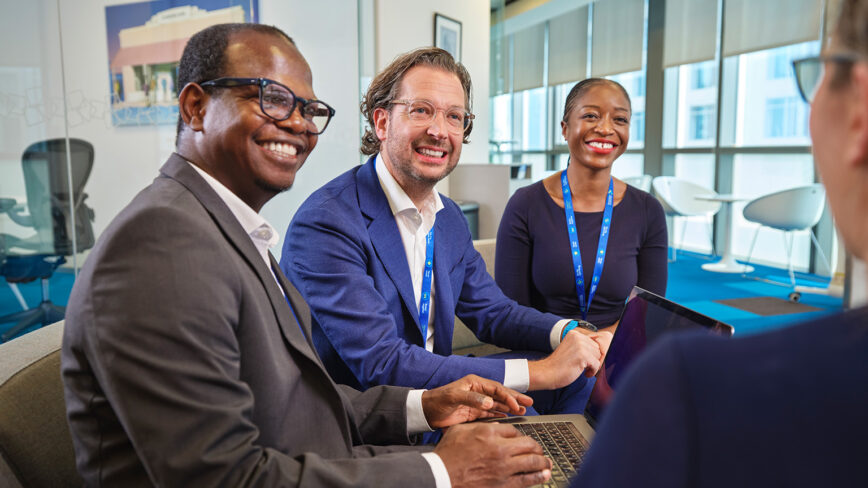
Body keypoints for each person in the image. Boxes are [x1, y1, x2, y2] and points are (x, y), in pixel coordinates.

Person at [61, 23, 556, 488]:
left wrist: (425, 406)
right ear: (195, 107)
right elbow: (224, 477)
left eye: (308, 108)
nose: (298, 124)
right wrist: (442, 473)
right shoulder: (162, 242)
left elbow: (296, 400)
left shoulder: (224, 228)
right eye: (272, 99)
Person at [572, 1, 868, 486]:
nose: (606, 128)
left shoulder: (686, 389)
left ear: (859, 108)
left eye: (815, 77)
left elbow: (650, 307)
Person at [281, 47, 611, 419]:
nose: (439, 131)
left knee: (581, 378)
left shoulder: (448, 216)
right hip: (378, 412)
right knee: (519, 416)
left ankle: (566, 450)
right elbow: (381, 363)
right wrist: (541, 372)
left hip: (442, 389)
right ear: (382, 122)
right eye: (421, 110)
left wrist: (570, 333)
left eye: (454, 116)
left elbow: (493, 312)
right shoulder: (327, 222)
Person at [496, 78, 667, 331]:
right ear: (565, 129)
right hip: (543, 345)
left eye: (620, 119)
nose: (605, 128)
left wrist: (607, 340)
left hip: (616, 345)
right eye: (590, 116)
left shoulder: (647, 210)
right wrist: (567, 341)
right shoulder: (526, 204)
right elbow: (509, 312)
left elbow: (649, 311)